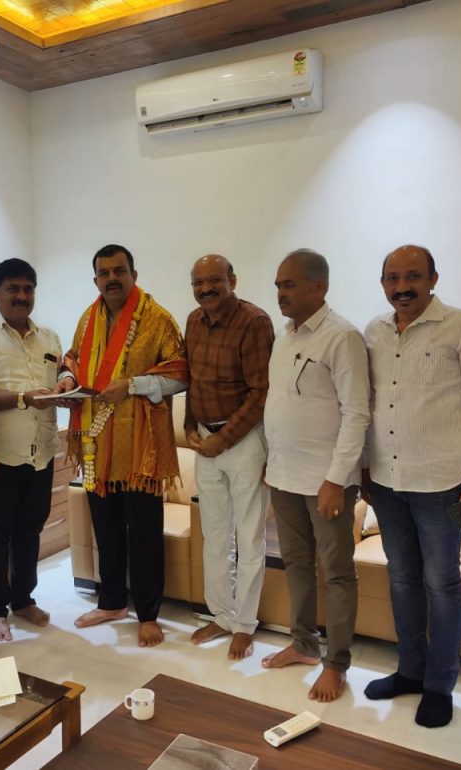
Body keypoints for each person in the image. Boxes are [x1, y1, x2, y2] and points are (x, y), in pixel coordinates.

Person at [362, 244, 461, 727]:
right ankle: (409, 671)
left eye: (413, 277)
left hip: (443, 485)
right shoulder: (374, 332)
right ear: (383, 283)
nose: (402, 287)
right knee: (402, 578)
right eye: (393, 278)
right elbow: (368, 406)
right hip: (386, 482)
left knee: (441, 584)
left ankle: (439, 685)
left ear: (433, 278)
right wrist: (362, 469)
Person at [61, 244, 187, 648]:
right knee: (107, 529)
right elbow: (72, 358)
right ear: (96, 279)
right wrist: (66, 379)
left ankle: (148, 615)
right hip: (97, 446)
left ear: (134, 274)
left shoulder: (158, 319)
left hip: (140, 449)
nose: (112, 279)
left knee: (144, 533)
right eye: (104, 273)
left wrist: (132, 385)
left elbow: (180, 374)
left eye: (119, 271)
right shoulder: (88, 318)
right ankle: (112, 602)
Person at [261, 249, 370, 702]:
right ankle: (304, 644)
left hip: (326, 481)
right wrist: (271, 463)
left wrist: (336, 479)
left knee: (337, 572)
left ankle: (336, 663)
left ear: (318, 287)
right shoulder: (284, 336)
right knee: (296, 564)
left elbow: (357, 413)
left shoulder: (342, 337)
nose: (280, 294)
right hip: (284, 475)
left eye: (288, 285)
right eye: (278, 286)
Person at [0, 259, 75, 642]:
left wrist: (66, 382)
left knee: (31, 529)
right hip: (0, 453)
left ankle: (23, 599)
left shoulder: (49, 337)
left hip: (41, 451)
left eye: (28, 289)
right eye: (13, 289)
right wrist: (25, 398)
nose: (22, 296)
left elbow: (62, 371)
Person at [183, 254, 274, 660]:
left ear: (232, 280)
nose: (206, 289)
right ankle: (221, 615)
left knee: (249, 536)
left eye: (214, 280)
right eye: (198, 282)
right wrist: (190, 426)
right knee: (215, 535)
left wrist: (223, 439)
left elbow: (261, 392)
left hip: (245, 442)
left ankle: (245, 624)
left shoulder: (254, 322)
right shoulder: (193, 321)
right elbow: (193, 381)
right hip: (205, 442)